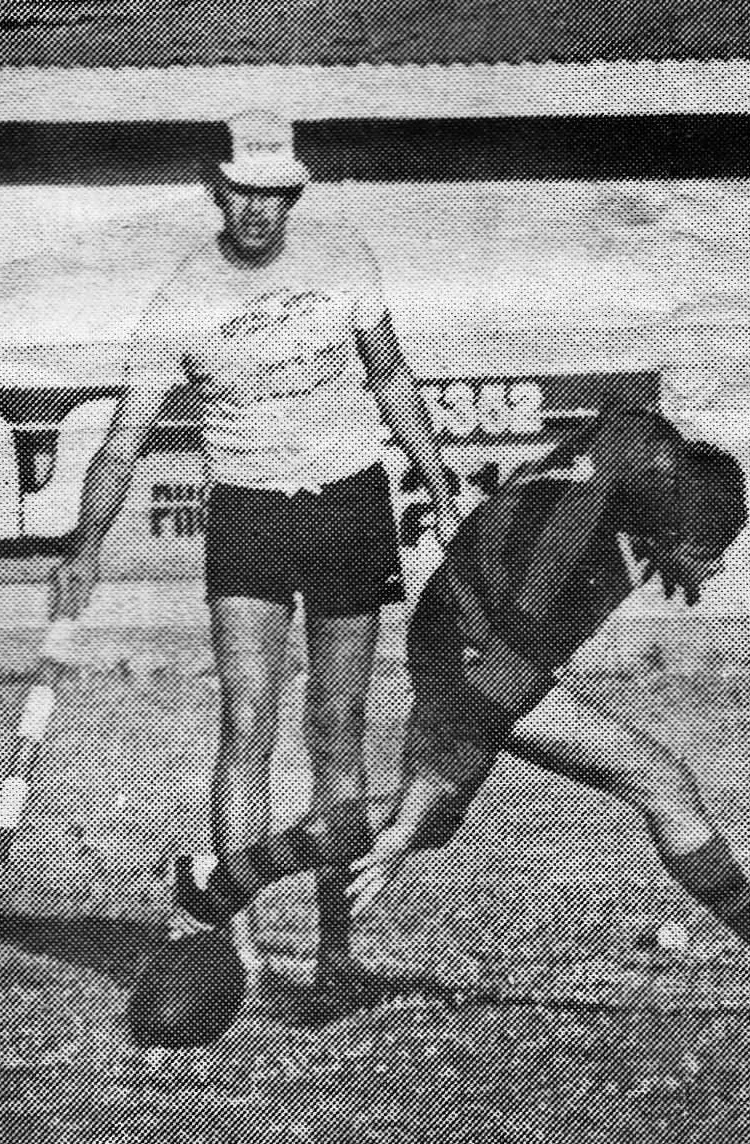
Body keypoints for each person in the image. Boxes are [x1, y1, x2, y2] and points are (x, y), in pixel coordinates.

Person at [158, 405, 750, 1008]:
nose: (713, 571)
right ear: (658, 529)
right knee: (653, 781)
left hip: (470, 621)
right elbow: (492, 690)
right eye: (705, 554)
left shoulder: (646, 447)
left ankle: (216, 878)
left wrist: (667, 535)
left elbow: (625, 434)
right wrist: (407, 828)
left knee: (424, 819)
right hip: (472, 653)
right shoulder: (558, 582)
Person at [51, 111, 460, 1008]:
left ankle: (334, 950)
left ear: (293, 196)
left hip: (350, 500)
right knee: (248, 721)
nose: (260, 211)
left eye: (276, 195)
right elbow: (122, 445)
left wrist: (438, 478)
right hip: (247, 514)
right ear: (216, 187)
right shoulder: (181, 299)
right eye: (243, 192)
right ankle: (234, 940)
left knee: (338, 727)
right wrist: (86, 550)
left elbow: (390, 377)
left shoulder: (345, 257)